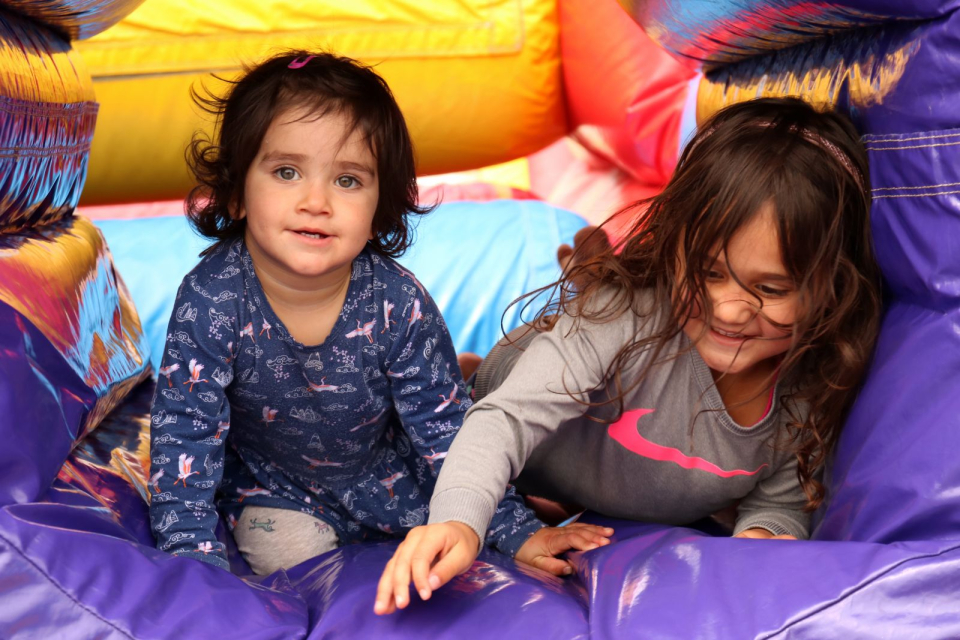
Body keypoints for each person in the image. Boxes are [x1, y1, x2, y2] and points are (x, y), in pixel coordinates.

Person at [374, 97, 882, 614]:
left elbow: (779, 500)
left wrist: (763, 537)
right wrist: (458, 521)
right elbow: (507, 419)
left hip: (595, 477)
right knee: (462, 413)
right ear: (672, 246)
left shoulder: (810, 386)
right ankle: (473, 370)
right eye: (708, 273)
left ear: (831, 288)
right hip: (502, 413)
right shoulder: (626, 315)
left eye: (771, 289)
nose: (729, 310)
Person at [147, 51, 611, 575]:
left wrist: (513, 529)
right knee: (283, 556)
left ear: (377, 209)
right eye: (286, 171)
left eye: (348, 181)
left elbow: (444, 430)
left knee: (467, 519)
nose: (316, 200)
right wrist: (187, 559)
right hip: (278, 490)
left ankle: (482, 402)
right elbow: (186, 428)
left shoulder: (397, 301)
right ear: (236, 195)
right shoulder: (211, 299)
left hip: (390, 479)